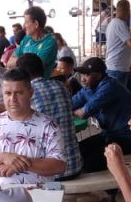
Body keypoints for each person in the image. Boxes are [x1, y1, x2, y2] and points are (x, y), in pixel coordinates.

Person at [0, 68, 65, 186]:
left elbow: (59, 165)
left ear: (30, 93)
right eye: (8, 93)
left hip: (41, 190)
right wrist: (2, 157)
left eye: (19, 93)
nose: (12, 99)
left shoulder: (48, 125)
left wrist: (20, 164)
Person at [17, 52, 83, 180]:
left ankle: (61, 197)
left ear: (22, 74)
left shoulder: (27, 94)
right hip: (75, 166)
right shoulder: (61, 87)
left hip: (52, 174)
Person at [73, 57, 131, 173]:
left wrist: (70, 112)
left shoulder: (109, 86)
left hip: (129, 138)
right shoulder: (89, 88)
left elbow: (83, 113)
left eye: (86, 75)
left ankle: (113, 187)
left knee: (90, 163)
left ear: (98, 76)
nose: (83, 79)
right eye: (82, 75)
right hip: (110, 134)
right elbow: (70, 103)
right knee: (78, 149)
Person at [12, 5, 58, 76]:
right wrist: (25, 62)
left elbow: (34, 68)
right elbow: (9, 62)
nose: (24, 26)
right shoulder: (26, 39)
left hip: (39, 85)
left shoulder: (50, 42)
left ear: (36, 24)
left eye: (26, 22)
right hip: (25, 84)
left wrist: (19, 61)